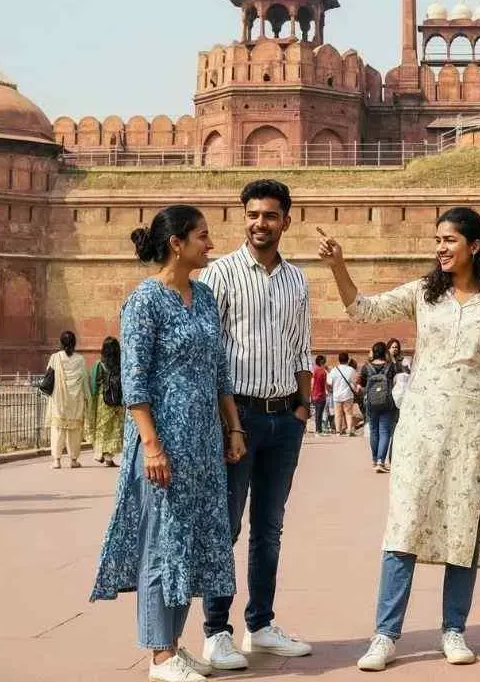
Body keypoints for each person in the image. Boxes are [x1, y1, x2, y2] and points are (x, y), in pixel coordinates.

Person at [317, 207, 480, 672]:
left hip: (474, 430)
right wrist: (338, 267)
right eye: (437, 240)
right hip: (421, 428)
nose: (441, 248)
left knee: (463, 528)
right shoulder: (425, 295)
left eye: (449, 240)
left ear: (475, 245)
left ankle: (453, 629)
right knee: (404, 526)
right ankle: (385, 635)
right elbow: (362, 309)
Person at [91, 205, 244, 682]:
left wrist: (233, 427)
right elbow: (134, 383)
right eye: (203, 236)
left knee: (190, 543)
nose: (211, 244)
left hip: (202, 444)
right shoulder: (144, 301)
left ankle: (174, 646)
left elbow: (220, 371)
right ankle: (158, 655)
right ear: (176, 243)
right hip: (164, 443)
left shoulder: (202, 296)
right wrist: (152, 446)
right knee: (162, 542)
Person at [198, 179, 315, 670]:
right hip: (238, 417)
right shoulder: (219, 275)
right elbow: (210, 354)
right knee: (225, 526)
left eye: (269, 215)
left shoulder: (296, 280)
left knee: (269, 529)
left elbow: (302, 345)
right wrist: (229, 424)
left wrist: (303, 408)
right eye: (252, 214)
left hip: (283, 417)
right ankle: (216, 631)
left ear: (286, 220)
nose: (259, 223)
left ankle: (260, 625)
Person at [46, 331, 88, 469]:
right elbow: (84, 380)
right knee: (75, 432)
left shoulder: (55, 357)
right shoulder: (80, 359)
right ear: (74, 343)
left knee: (58, 430)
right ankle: (73, 460)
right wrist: (88, 397)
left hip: (59, 400)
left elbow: (49, 376)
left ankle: (56, 460)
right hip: (75, 401)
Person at [86, 337, 126, 467]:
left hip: (104, 401)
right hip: (118, 402)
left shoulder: (99, 364)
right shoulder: (121, 364)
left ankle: (99, 454)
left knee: (102, 428)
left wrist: (92, 400)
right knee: (114, 429)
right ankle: (108, 457)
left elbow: (94, 384)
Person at [360, 341, 397, 473]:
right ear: (385, 352)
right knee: (385, 431)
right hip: (386, 402)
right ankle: (381, 461)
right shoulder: (390, 366)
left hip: (371, 402)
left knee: (374, 431)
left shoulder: (366, 367)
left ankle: (375, 460)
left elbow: (362, 384)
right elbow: (394, 382)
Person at [328, 353, 359, 436]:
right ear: (348, 360)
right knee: (348, 413)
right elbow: (355, 382)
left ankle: (338, 431)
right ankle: (349, 430)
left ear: (339, 360)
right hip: (348, 395)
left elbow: (329, 382)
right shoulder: (351, 370)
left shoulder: (334, 370)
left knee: (338, 414)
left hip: (337, 395)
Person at [311, 355, 330, 434]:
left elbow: (312, 383)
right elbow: (325, 384)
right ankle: (318, 430)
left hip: (315, 395)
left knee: (317, 413)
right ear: (322, 362)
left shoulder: (314, 370)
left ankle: (318, 429)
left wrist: (311, 394)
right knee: (320, 413)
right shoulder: (323, 372)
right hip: (322, 395)